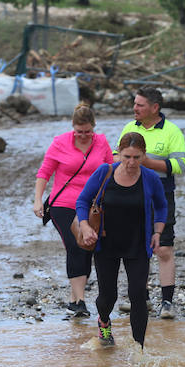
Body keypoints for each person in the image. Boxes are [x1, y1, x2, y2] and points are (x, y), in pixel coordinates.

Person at [77, 132, 167, 347]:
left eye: (137, 157)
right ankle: (104, 322)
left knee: (138, 295)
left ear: (144, 155)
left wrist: (157, 232)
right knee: (108, 297)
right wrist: (85, 225)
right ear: (119, 153)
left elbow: (162, 206)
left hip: (137, 244)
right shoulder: (104, 173)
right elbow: (82, 200)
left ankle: (139, 348)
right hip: (106, 243)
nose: (131, 162)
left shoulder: (150, 178)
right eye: (127, 157)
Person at [33, 104, 113, 317]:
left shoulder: (101, 142)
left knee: (88, 244)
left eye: (88, 131)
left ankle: (74, 296)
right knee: (76, 244)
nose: (84, 136)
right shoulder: (60, 143)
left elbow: (110, 170)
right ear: (72, 127)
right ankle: (80, 301)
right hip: (64, 204)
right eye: (80, 132)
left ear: (93, 127)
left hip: (92, 204)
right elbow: (44, 172)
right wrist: (38, 200)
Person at [115, 87, 185, 319]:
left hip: (161, 196)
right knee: (137, 248)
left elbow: (181, 165)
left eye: (140, 105)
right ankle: (141, 299)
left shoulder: (171, 131)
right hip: (131, 195)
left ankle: (167, 302)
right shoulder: (129, 128)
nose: (134, 108)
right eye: (134, 104)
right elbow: (117, 157)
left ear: (155, 108)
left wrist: (147, 162)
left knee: (164, 247)